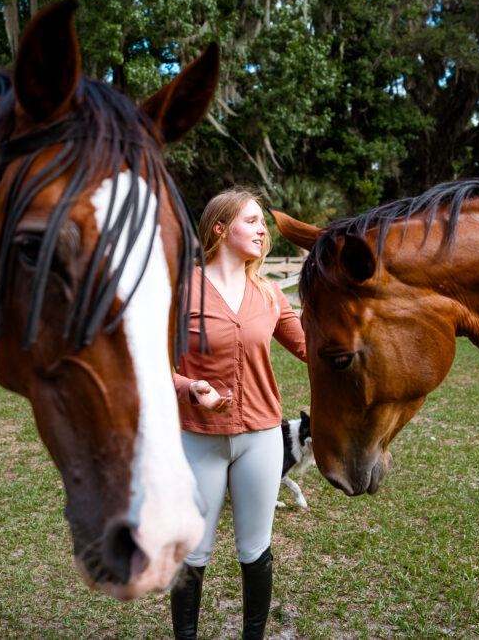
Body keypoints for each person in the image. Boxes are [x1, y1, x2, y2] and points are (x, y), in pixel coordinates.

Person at [170, 188, 306, 640]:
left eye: (263, 222)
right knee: (194, 553)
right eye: (252, 220)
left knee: (255, 549)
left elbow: (311, 347)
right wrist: (191, 388)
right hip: (198, 438)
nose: (263, 229)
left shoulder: (268, 293)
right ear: (220, 228)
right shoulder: (180, 289)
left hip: (262, 439)